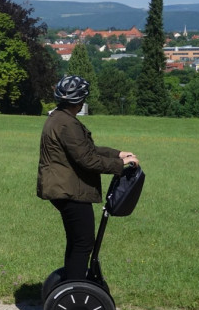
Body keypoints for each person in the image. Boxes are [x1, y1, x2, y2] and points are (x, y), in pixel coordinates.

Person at [37, 75, 137, 281]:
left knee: (77, 241)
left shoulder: (59, 118)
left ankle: (71, 284)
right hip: (69, 191)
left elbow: (85, 149)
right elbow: (88, 160)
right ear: (80, 100)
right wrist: (120, 165)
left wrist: (118, 154)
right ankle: (75, 288)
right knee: (83, 242)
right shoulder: (67, 124)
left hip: (63, 188)